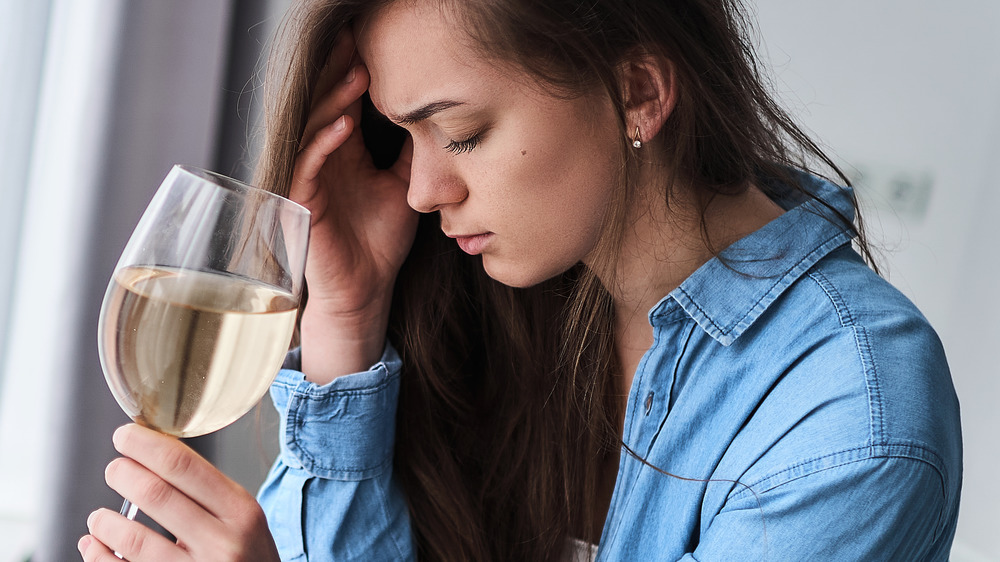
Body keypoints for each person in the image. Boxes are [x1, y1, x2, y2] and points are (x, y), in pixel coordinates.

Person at [78, 0, 963, 560]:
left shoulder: (851, 421)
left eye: (459, 134)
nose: (424, 192)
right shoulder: (506, 300)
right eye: (404, 137)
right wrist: (348, 319)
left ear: (639, 91)